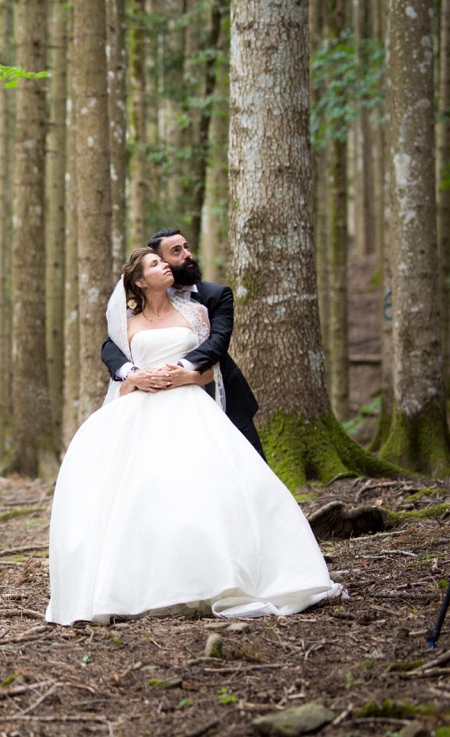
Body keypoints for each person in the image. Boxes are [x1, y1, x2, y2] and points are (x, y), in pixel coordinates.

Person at [46, 247, 341, 626]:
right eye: (155, 264)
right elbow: (118, 369)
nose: (165, 266)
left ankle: (220, 577)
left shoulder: (196, 312)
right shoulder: (126, 324)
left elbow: (211, 370)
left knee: (203, 488)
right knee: (140, 494)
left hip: (189, 407)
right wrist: (134, 376)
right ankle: (138, 584)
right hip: (140, 410)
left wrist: (186, 375)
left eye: (163, 261)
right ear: (139, 281)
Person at [101, 229, 263, 458]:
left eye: (186, 247)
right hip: (148, 402)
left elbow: (217, 342)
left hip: (215, 391)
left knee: (246, 464)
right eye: (176, 251)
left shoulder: (215, 296)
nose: (187, 254)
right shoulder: (136, 310)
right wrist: (132, 374)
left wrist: (183, 372)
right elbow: (111, 346)